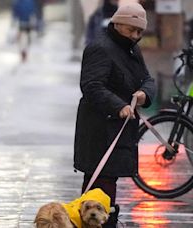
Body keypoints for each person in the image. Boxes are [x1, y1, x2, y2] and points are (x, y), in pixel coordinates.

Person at [74, 3, 155, 227]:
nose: (136, 36)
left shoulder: (130, 48)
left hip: (120, 128)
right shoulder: (99, 47)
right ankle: (97, 222)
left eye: (140, 31)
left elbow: (147, 78)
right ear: (117, 23)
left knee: (109, 179)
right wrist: (118, 105)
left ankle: (105, 221)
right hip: (99, 130)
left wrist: (143, 94)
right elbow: (91, 86)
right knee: (100, 180)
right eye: (132, 30)